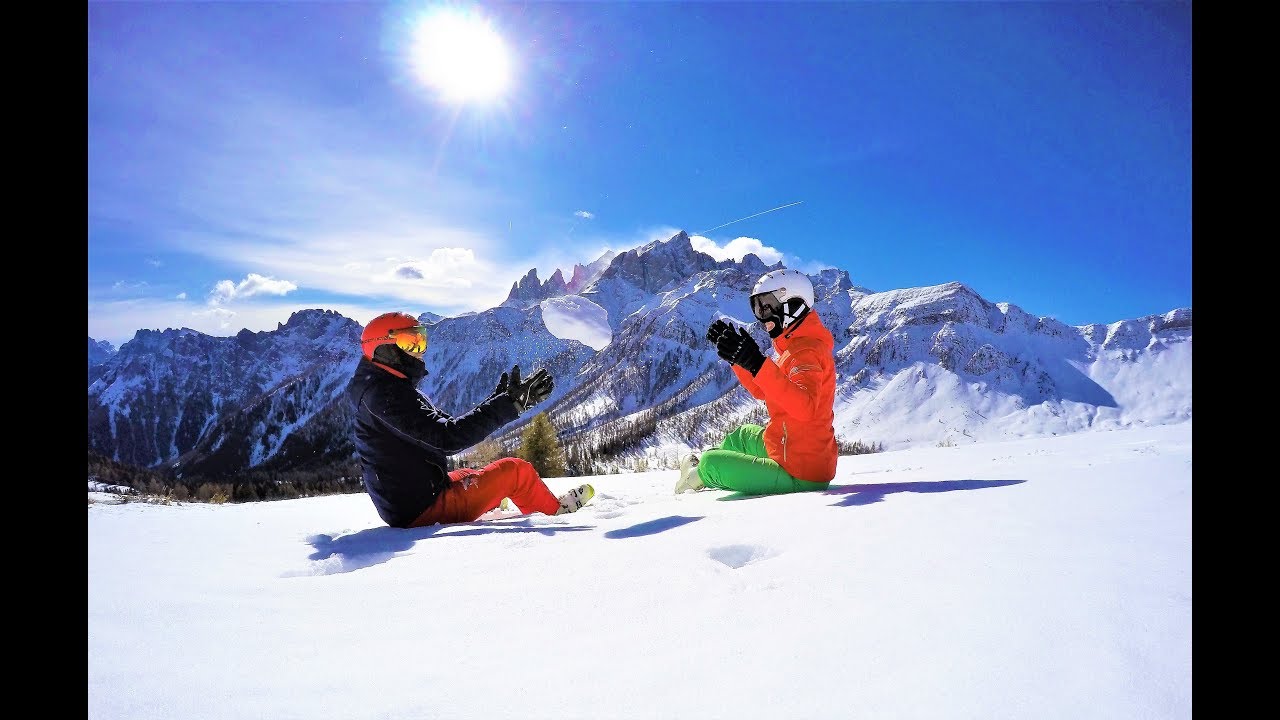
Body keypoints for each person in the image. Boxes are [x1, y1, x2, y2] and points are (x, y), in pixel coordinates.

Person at [346, 311, 594, 529]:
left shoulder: (384, 386)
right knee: (516, 471)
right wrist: (510, 405)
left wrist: (497, 400)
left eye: (420, 340)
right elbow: (448, 437)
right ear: (384, 350)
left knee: (470, 473)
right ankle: (555, 513)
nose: (420, 351)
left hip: (409, 500)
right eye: (410, 343)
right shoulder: (387, 395)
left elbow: (442, 424)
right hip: (422, 510)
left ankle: (496, 501)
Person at [675, 268, 838, 495]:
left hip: (802, 473)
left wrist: (758, 363)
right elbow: (764, 391)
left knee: (711, 463)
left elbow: (806, 408)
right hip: (786, 448)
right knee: (742, 436)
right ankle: (712, 475)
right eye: (757, 307)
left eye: (767, 306)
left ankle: (695, 479)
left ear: (794, 304)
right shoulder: (791, 349)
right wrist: (739, 360)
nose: (762, 316)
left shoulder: (807, 352)